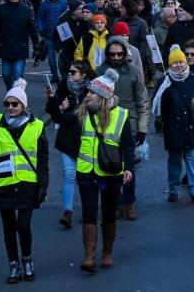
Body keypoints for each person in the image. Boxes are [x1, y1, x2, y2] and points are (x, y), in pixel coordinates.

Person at [0, 79, 49, 283]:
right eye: (7, 104)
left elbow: (43, 158)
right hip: (3, 184)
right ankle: (13, 265)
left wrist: (43, 184)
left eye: (14, 104)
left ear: (24, 105)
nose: (10, 107)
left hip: (27, 184)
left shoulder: (37, 126)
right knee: (8, 227)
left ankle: (27, 259)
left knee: (23, 226)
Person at [74, 69, 134, 273]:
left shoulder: (121, 115)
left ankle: (107, 253)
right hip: (86, 171)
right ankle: (89, 257)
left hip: (111, 172)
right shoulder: (84, 112)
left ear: (103, 95)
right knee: (89, 212)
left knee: (109, 213)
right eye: (88, 91)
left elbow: (128, 144)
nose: (87, 95)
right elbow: (68, 131)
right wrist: (53, 103)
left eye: (91, 92)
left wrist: (129, 168)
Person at [98, 38, 150, 220]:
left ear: (125, 54)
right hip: (107, 123)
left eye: (119, 54)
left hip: (131, 123)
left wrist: (143, 128)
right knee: (110, 164)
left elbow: (143, 101)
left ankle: (129, 202)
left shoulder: (134, 72)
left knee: (129, 166)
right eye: (112, 54)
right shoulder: (101, 72)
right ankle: (117, 202)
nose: (116, 57)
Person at [152, 45, 194, 204]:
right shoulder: (164, 82)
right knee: (174, 160)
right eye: (175, 63)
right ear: (170, 65)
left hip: (192, 127)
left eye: (181, 62)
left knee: (193, 158)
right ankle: (173, 189)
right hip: (173, 128)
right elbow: (157, 106)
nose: (179, 65)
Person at [45, 60, 91, 229]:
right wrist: (55, 102)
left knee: (86, 178)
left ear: (83, 75)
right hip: (67, 137)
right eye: (69, 72)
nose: (69, 75)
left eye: (73, 72)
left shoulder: (92, 89)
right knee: (68, 175)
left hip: (87, 139)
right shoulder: (64, 86)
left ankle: (88, 210)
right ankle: (67, 212)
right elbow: (52, 112)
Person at [0, 0, 40, 90]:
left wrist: (36, 46)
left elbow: (32, 29)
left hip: (20, 48)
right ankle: (11, 92)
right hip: (5, 47)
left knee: (17, 75)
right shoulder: (1, 9)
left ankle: (18, 96)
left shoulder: (26, 10)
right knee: (6, 74)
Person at [36, 0, 68, 83]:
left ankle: (65, 75)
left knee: (64, 56)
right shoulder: (44, 5)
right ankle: (54, 75)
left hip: (62, 34)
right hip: (49, 34)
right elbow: (39, 18)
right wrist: (41, 29)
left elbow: (68, 17)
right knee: (51, 57)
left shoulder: (63, 4)